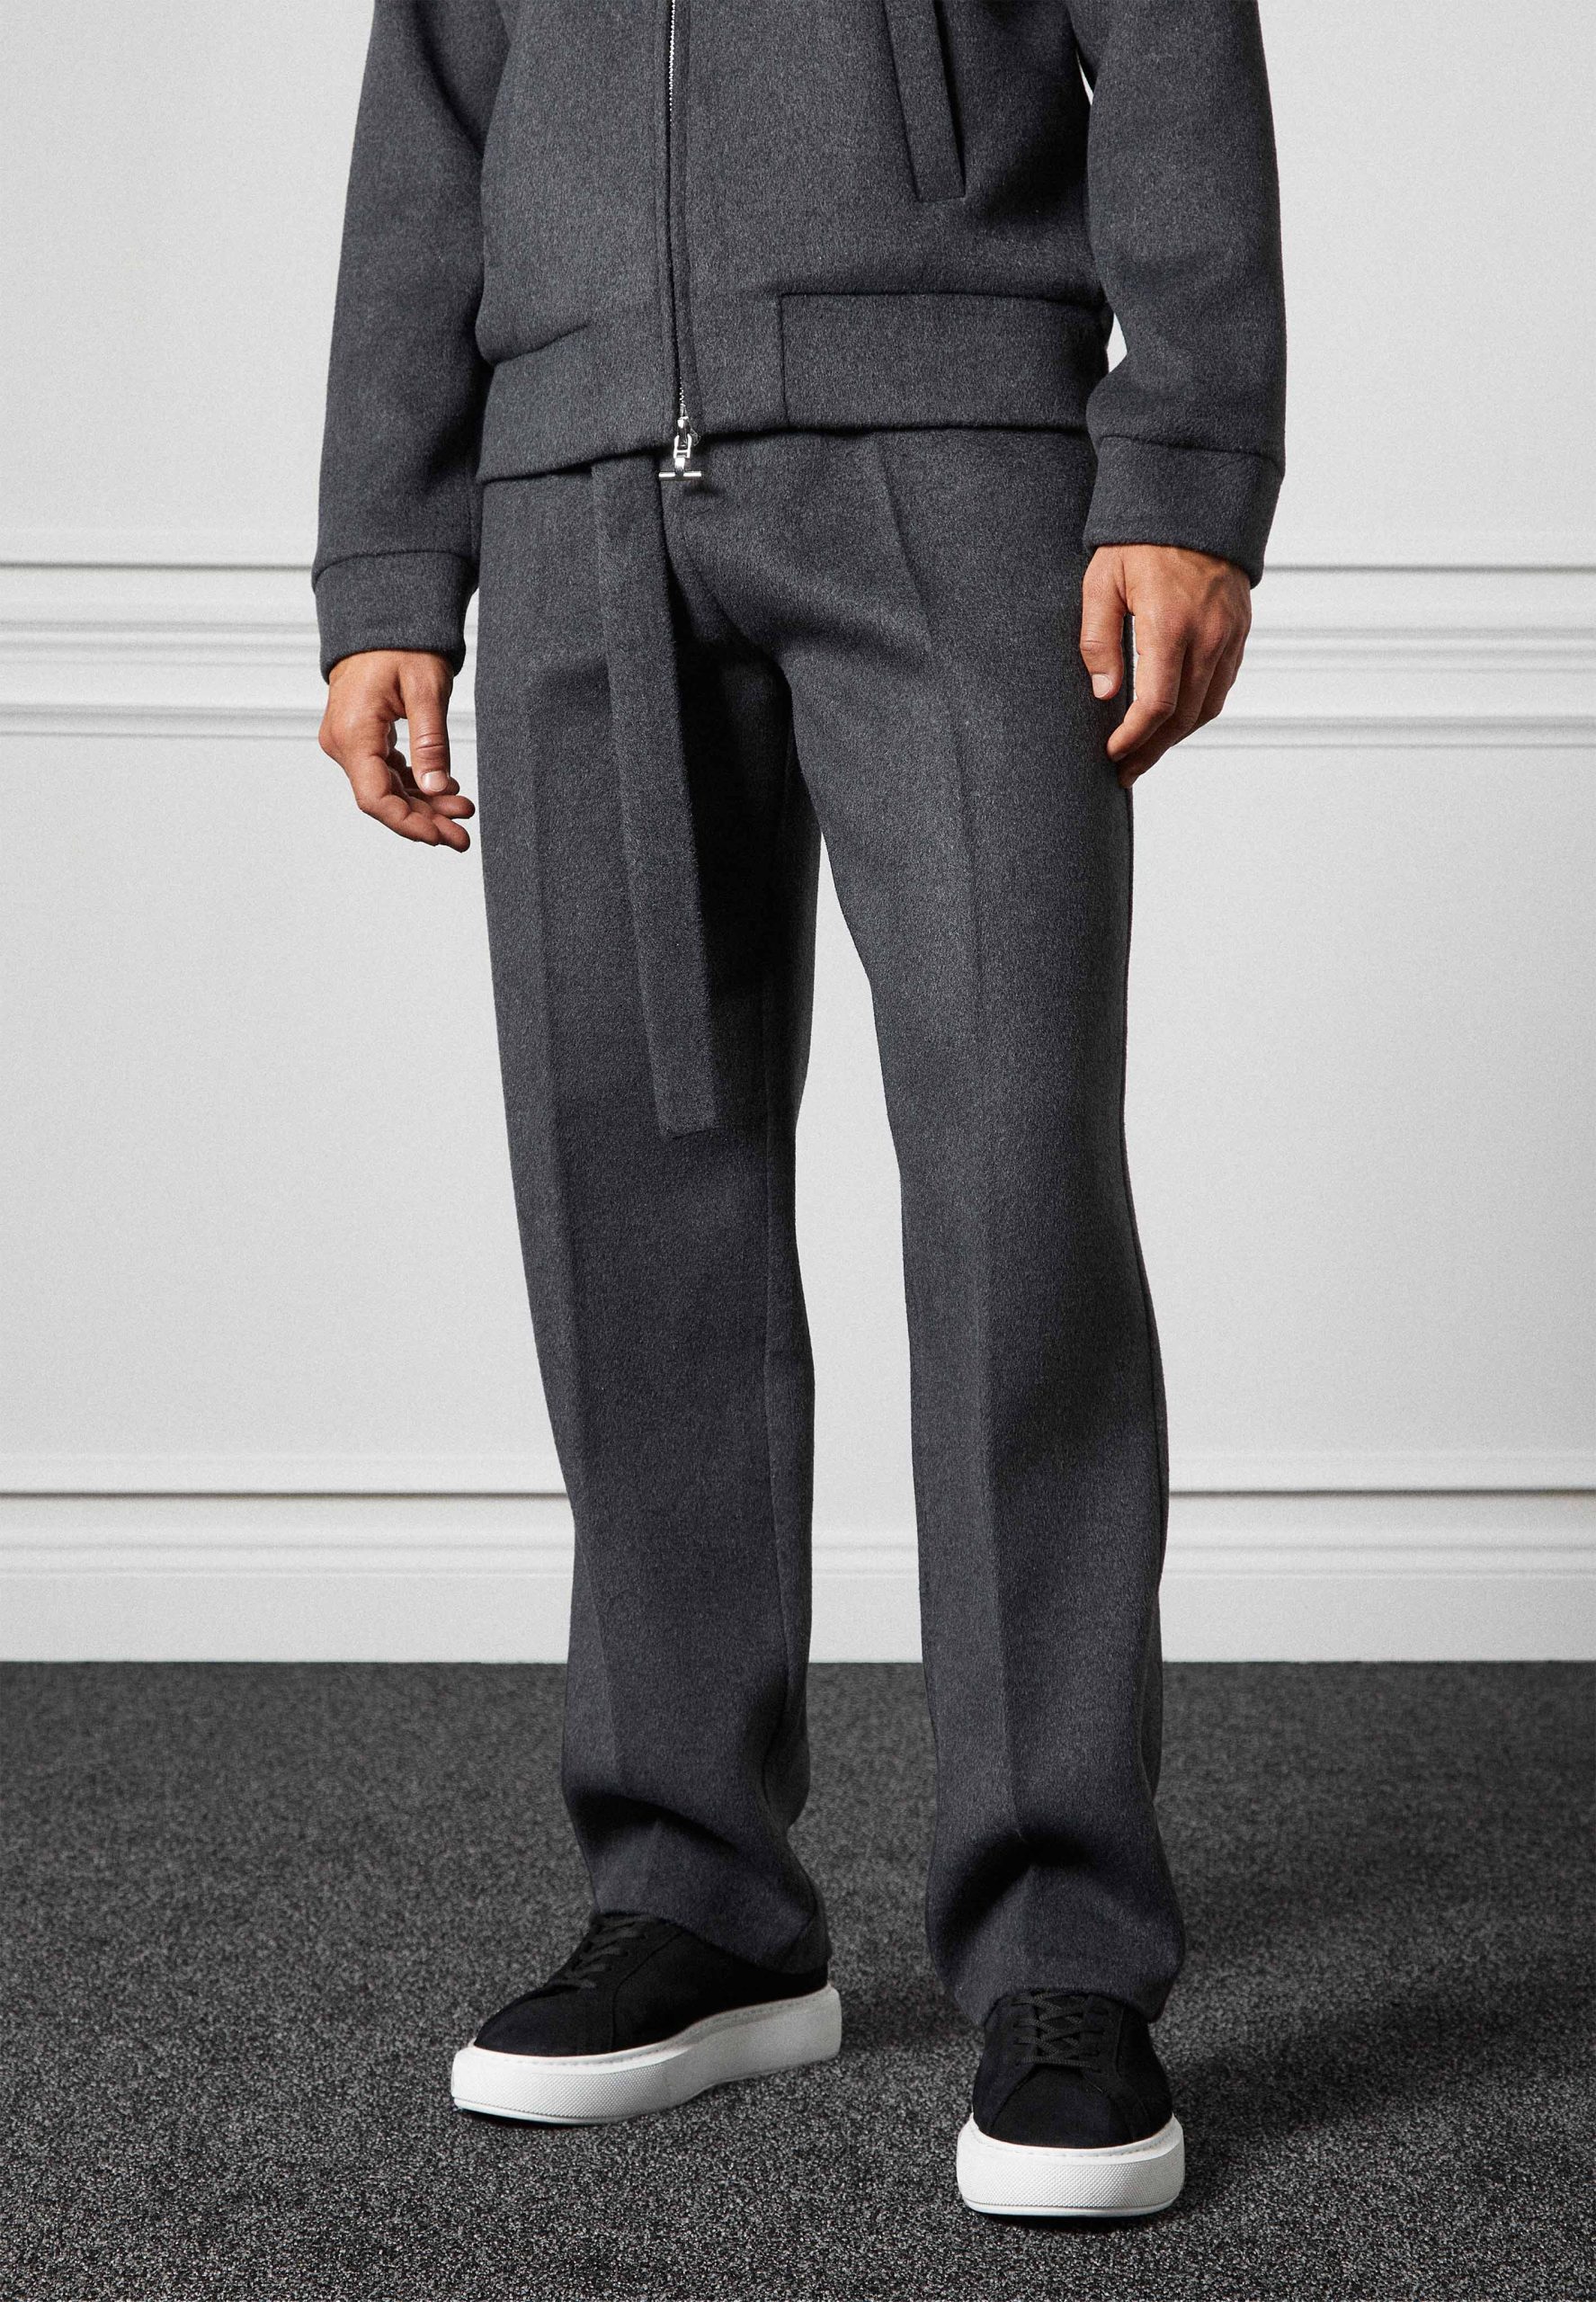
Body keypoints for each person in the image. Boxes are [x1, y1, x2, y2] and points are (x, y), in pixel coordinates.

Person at [314, 0, 1285, 2219]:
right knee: (628, 1198)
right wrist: (386, 553)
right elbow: (430, 110)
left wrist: (1189, 456)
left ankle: (1062, 1947)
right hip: (569, 484)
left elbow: (1179, 42)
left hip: (960, 452)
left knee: (1016, 1188)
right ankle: (699, 1892)